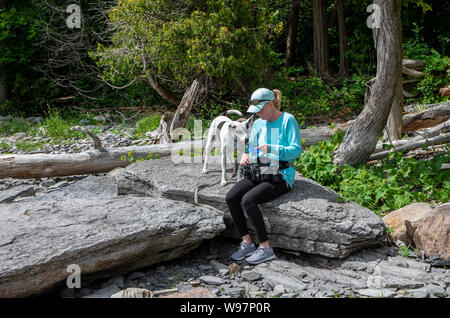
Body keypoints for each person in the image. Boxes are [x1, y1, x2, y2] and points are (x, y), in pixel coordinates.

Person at [225, 88, 303, 264]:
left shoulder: (288, 120)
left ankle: (266, 248)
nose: (258, 114)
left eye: (260, 110)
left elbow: (296, 151)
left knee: (248, 200)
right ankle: (247, 243)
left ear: (270, 104)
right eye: (255, 111)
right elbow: (253, 148)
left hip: (280, 174)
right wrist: (246, 155)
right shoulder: (259, 123)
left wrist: (273, 148)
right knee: (231, 197)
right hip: (259, 171)